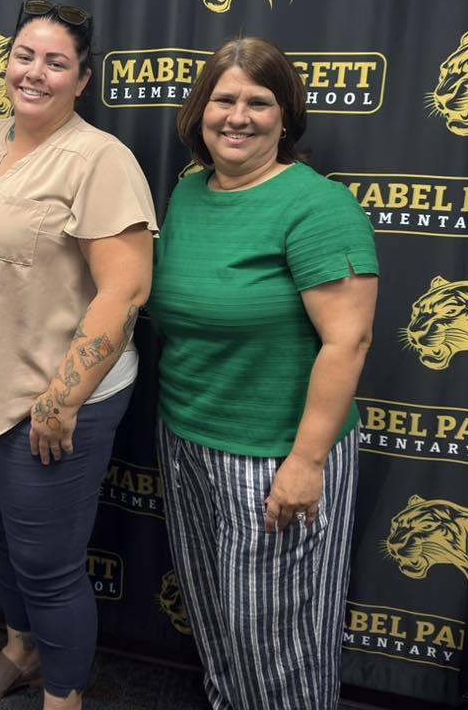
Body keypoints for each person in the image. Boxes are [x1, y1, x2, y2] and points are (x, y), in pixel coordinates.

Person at [0, 0, 156, 710]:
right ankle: (22, 654)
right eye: (25, 55)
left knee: (50, 567)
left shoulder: (100, 161)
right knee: (5, 538)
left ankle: (64, 696)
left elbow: (124, 292)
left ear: (81, 80)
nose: (35, 72)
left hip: (55, 404)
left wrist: (63, 399)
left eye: (56, 62)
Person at [148, 36, 379, 710]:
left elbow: (350, 340)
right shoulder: (191, 193)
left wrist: (307, 463)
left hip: (277, 456)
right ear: (201, 111)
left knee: (277, 644)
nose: (238, 116)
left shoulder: (317, 206)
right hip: (187, 438)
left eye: (259, 101)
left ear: (286, 117)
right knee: (219, 625)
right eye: (224, 99)